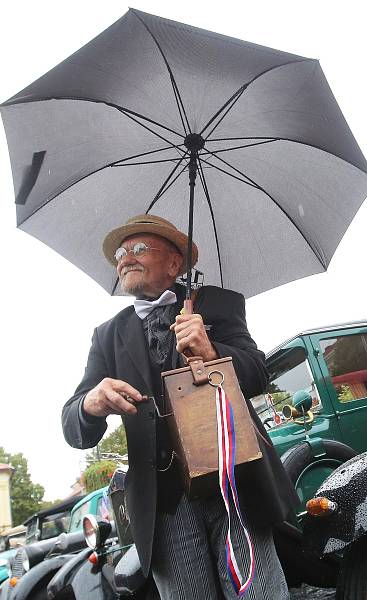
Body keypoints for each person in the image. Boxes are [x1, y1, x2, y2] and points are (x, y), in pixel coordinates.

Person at [62, 215, 298, 600]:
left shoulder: (216, 306)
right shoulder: (107, 336)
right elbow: (74, 428)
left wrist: (213, 352)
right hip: (163, 503)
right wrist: (90, 403)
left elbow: (257, 374)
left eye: (138, 249)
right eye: (121, 253)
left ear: (175, 263)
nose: (126, 258)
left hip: (231, 482)